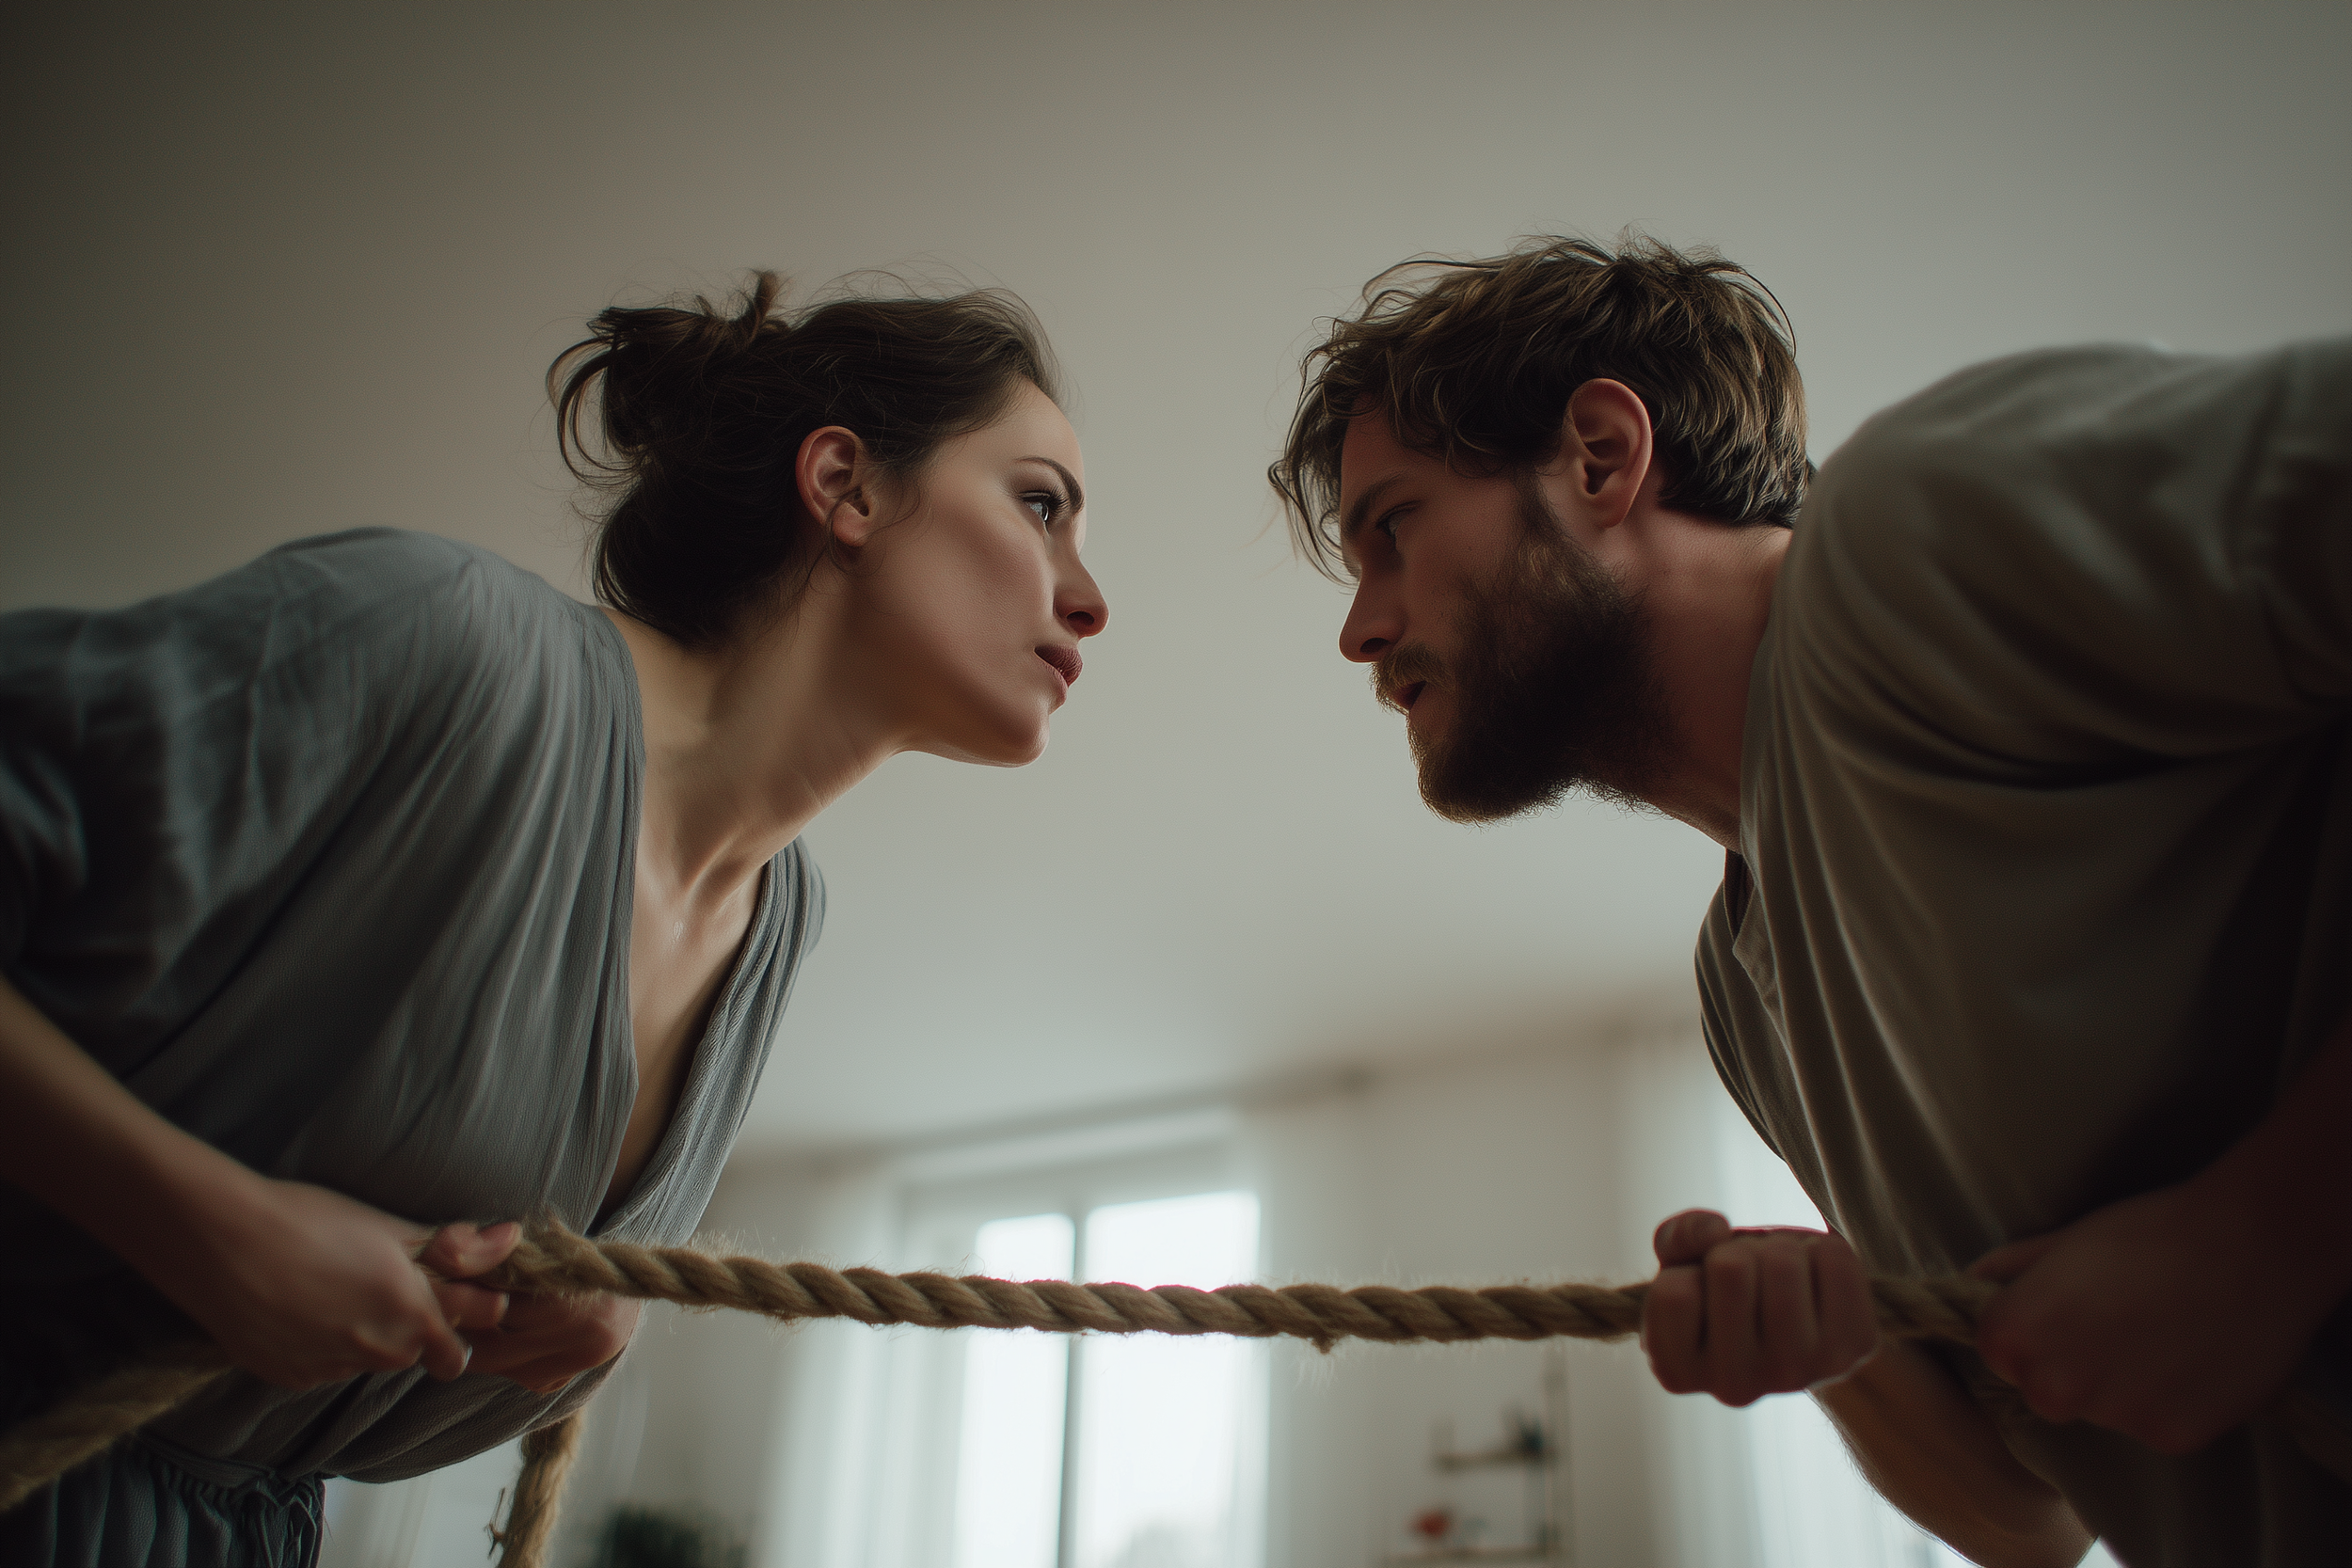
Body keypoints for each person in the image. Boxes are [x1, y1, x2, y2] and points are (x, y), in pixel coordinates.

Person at [1269, 234, 2350, 1566]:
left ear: (1602, 456)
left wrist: (2271, 1229)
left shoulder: (1912, 543)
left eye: (1392, 528)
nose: (1360, 629)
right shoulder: (1747, 993)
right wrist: (1838, 1350)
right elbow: (2029, 1520)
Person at [0, 270, 1107, 1566]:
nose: (1088, 597)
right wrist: (207, 1227)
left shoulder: (779, 922)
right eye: (1040, 505)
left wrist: (595, 1318)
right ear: (844, 485)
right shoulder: (440, 644)